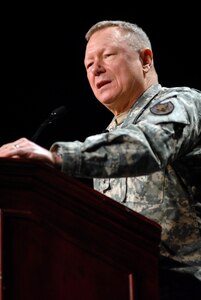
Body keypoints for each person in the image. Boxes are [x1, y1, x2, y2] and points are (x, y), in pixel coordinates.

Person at [0, 20, 200, 299]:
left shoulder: (185, 103)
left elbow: (147, 145)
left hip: (184, 285)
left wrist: (58, 157)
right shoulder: (108, 138)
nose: (95, 68)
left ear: (145, 59)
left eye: (107, 56)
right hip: (123, 284)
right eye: (88, 64)